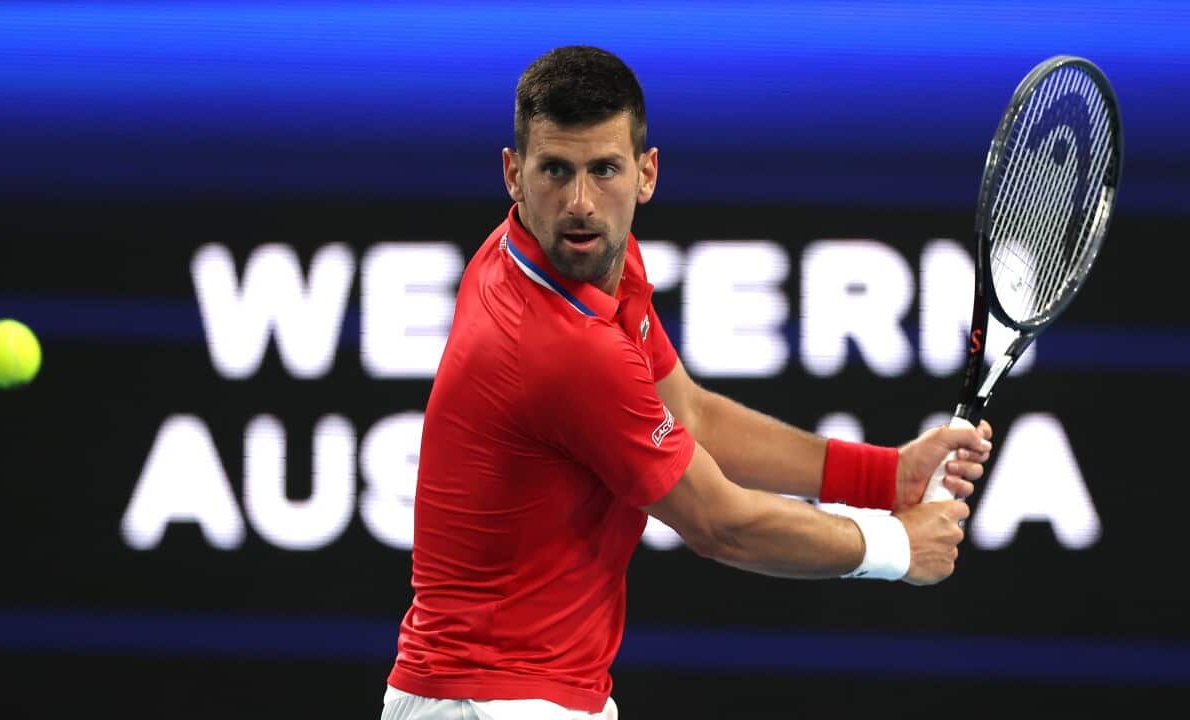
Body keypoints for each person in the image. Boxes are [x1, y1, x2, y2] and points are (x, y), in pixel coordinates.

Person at [381, 45, 994, 720]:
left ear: (646, 173)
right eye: (555, 170)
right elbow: (719, 524)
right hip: (492, 699)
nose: (580, 203)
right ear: (513, 175)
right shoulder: (562, 346)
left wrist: (884, 477)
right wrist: (898, 548)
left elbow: (692, 417)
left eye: (603, 169)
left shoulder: (577, 260)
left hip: (509, 692)